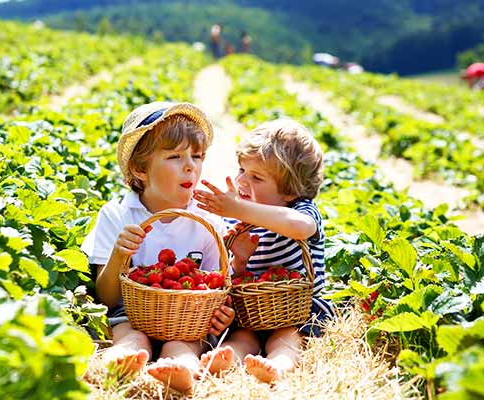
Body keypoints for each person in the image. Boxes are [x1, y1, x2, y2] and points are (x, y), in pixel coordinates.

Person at [81, 101, 235, 393]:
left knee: (183, 345)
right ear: (140, 168)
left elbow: (217, 287)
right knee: (129, 336)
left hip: (188, 322)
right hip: (131, 316)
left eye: (197, 156)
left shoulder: (208, 222)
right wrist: (119, 255)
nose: (190, 165)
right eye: (175, 156)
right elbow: (108, 298)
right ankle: (120, 360)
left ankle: (181, 370)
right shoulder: (117, 215)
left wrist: (221, 312)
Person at [193, 119, 336, 383]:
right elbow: (238, 277)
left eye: (256, 177)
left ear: (291, 191)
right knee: (242, 337)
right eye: (242, 170)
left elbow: (301, 227)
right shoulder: (241, 223)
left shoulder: (301, 211)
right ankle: (227, 359)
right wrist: (241, 259)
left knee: (286, 337)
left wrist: (238, 209)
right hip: (253, 313)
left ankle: (278, 366)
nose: (241, 181)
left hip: (296, 311)